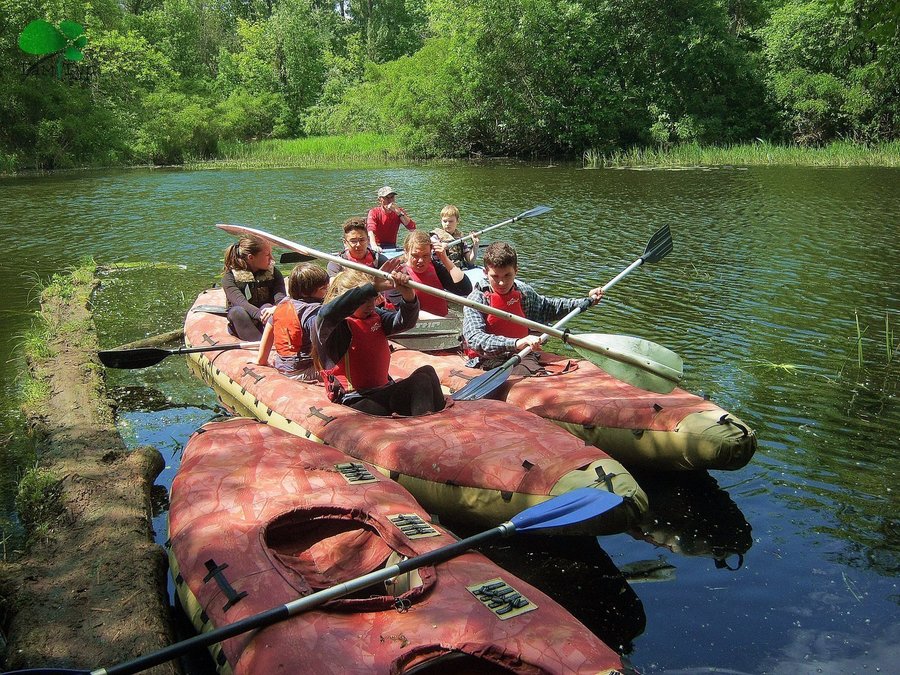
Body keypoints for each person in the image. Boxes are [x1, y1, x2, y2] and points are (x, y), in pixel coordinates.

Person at [313, 268, 446, 417]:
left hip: (383, 392)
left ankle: (440, 422)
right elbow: (327, 314)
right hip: (357, 400)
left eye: (372, 299)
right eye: (363, 301)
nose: (370, 305)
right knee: (420, 382)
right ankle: (425, 431)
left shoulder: (375, 316)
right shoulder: (332, 327)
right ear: (346, 301)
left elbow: (404, 322)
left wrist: (408, 295)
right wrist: (371, 288)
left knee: (427, 371)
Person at [462, 242, 604, 374]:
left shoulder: (524, 293)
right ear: (485, 273)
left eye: (507, 275)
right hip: (488, 359)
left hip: (522, 354)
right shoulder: (476, 299)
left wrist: (587, 301)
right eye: (495, 276)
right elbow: (475, 339)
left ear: (516, 271)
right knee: (526, 374)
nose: (501, 282)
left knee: (534, 372)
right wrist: (515, 343)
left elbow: (550, 308)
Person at [255, 263, 330, 380]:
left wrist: (262, 360)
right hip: (304, 370)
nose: (328, 290)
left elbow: (269, 328)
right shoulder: (312, 313)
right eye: (323, 288)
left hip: (283, 366)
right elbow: (322, 346)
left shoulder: (283, 303)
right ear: (306, 292)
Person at [385, 230, 472, 317]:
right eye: (415, 256)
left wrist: (444, 258)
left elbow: (465, 289)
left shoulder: (434, 267)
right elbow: (407, 312)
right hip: (415, 327)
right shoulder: (397, 274)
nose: (421, 261)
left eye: (425, 256)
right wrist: (443, 322)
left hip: (441, 322)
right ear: (406, 253)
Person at [222, 235, 286, 340]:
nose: (272, 258)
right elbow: (241, 302)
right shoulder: (229, 277)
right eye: (267, 255)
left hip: (266, 320)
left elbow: (280, 298)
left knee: (267, 306)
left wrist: (276, 308)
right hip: (243, 322)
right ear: (251, 257)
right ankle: (260, 343)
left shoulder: (274, 273)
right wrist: (259, 315)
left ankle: (271, 341)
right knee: (237, 311)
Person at [366, 186, 416, 252]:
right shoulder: (374, 212)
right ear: (380, 200)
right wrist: (374, 245)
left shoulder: (398, 211)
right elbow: (370, 229)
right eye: (386, 198)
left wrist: (399, 213)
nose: (390, 200)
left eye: (392, 197)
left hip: (391, 245)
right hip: (376, 245)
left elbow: (412, 227)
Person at [430, 205, 479, 269]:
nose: (447, 224)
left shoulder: (461, 238)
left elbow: (470, 262)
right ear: (441, 221)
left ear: (457, 221)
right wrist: (441, 248)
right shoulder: (435, 237)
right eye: (445, 221)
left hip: (460, 270)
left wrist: (475, 245)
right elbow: (433, 257)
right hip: (443, 270)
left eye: (451, 221)